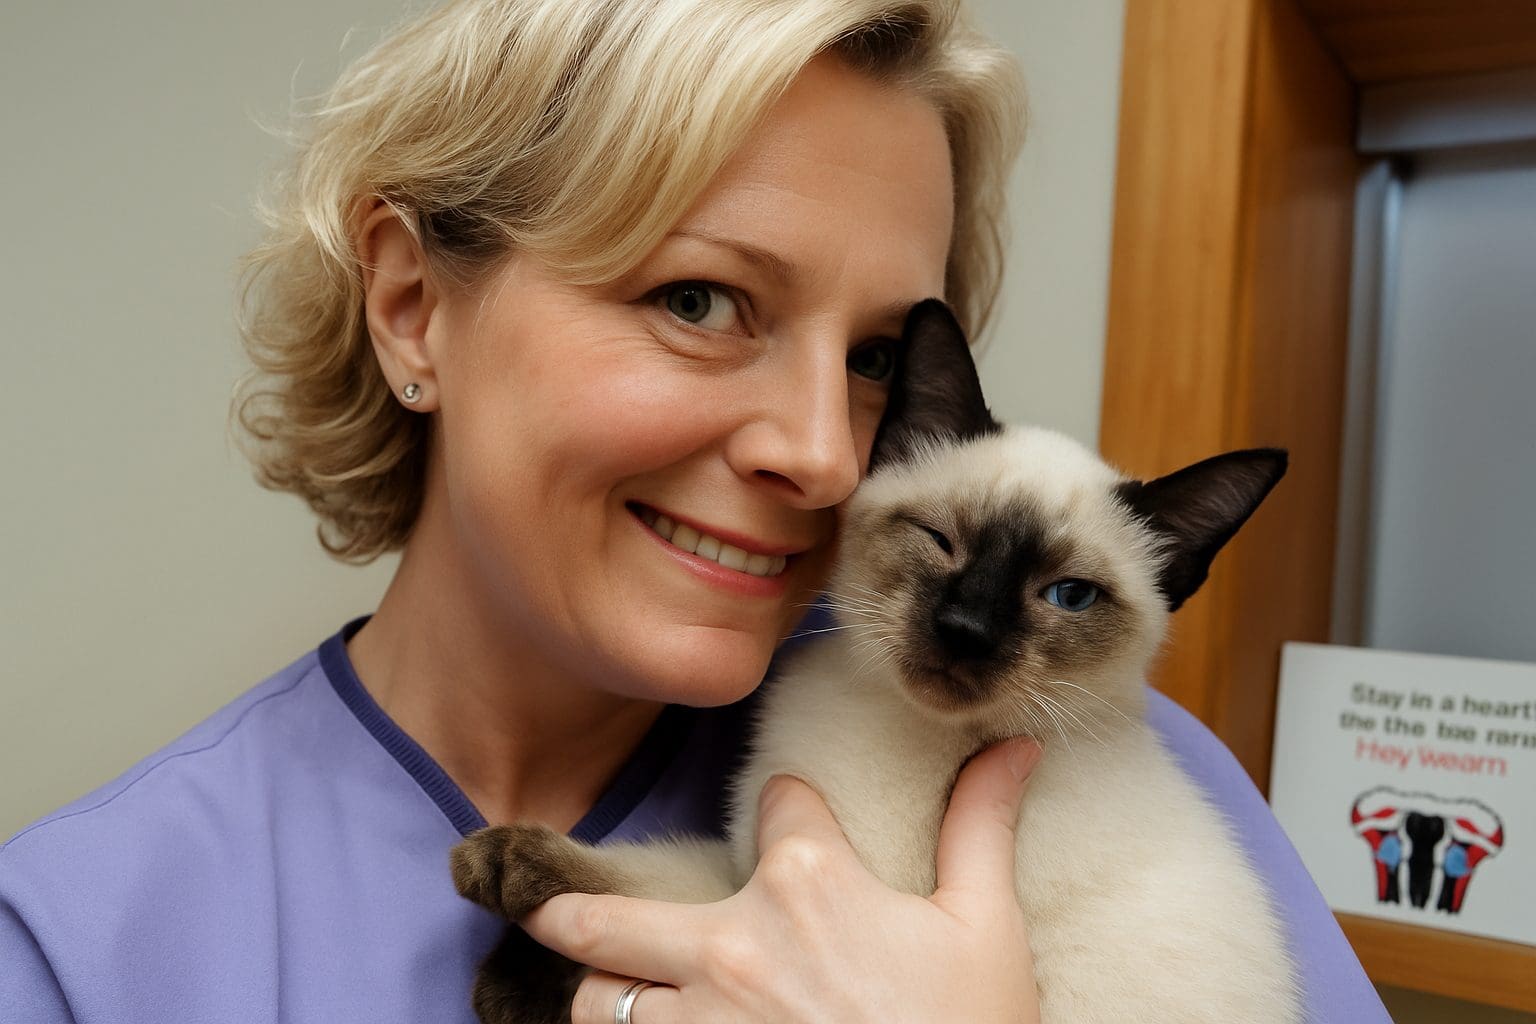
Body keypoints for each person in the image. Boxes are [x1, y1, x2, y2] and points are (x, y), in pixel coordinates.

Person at [1, 1, 1391, 1021]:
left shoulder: (1120, 772)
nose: (825, 458)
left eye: (870, 363)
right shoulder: (76, 948)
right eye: (698, 301)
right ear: (415, 306)